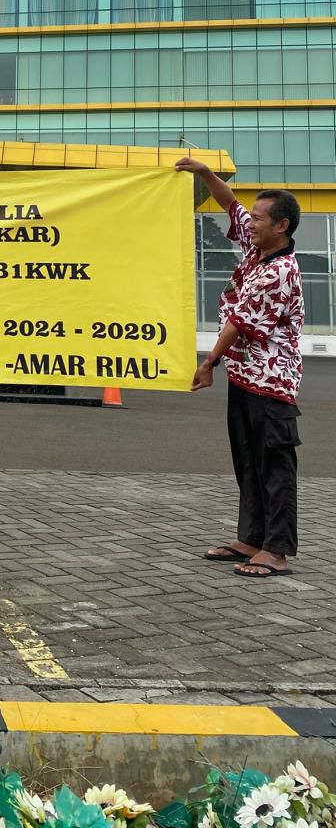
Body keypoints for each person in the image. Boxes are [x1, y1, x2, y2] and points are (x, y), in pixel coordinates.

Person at [176, 158, 303, 578]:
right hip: (245, 377)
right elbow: (230, 203)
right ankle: (250, 538)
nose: (251, 222)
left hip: (271, 382)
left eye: (260, 218)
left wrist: (209, 362)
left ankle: (276, 550)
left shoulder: (280, 271)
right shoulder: (258, 248)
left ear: (281, 226)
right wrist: (204, 173)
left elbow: (241, 321)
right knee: (248, 461)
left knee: (274, 467)